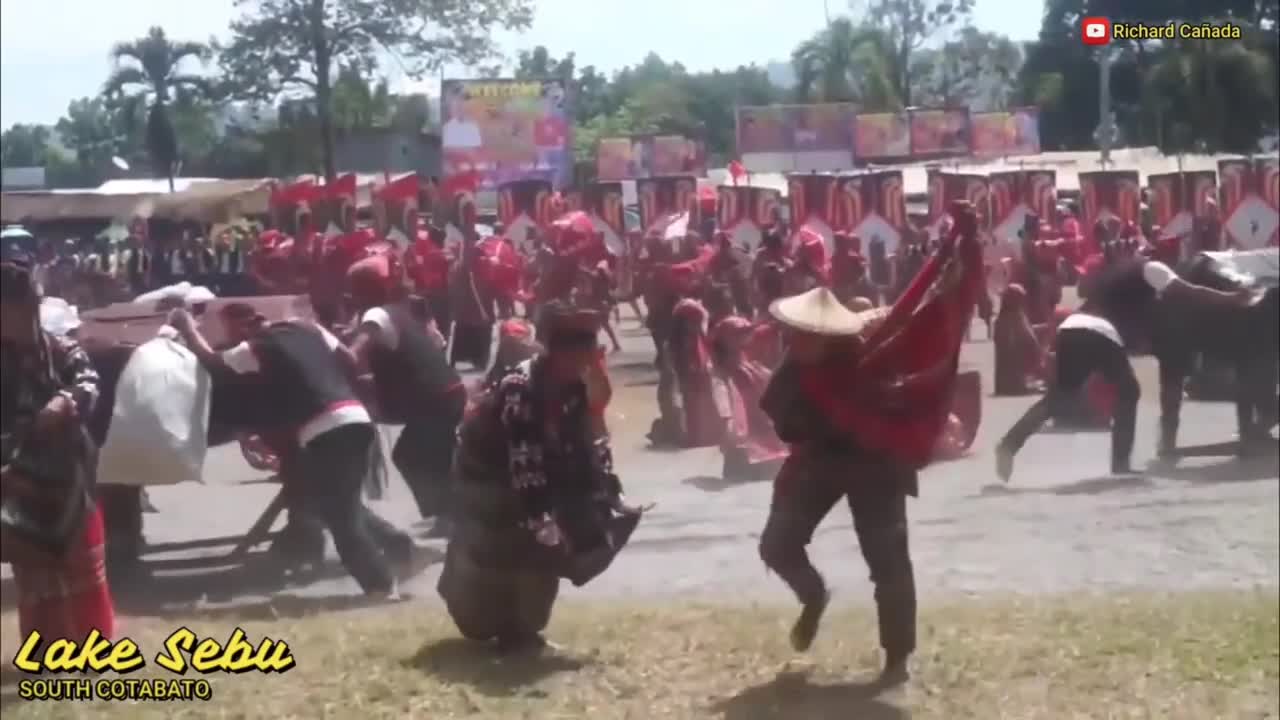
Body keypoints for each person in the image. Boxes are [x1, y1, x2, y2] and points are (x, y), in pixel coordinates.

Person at [167, 302, 415, 599]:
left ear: (247, 326)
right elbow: (348, 360)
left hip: (325, 429)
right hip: (356, 417)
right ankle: (397, 546)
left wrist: (188, 328)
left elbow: (212, 362)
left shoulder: (256, 347)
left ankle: (381, 586)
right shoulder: (309, 328)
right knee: (334, 502)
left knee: (341, 520)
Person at [439, 302, 645, 651]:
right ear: (558, 353)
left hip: (533, 479)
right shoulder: (520, 387)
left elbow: (586, 441)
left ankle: (525, 630)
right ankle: (493, 623)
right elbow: (523, 457)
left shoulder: (574, 387)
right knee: (505, 552)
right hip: (488, 479)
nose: (586, 364)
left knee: (549, 550)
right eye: (580, 355)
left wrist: (607, 491)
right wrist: (540, 517)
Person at [756, 287, 916, 684]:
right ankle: (813, 596)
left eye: (806, 334)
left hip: (874, 462)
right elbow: (781, 417)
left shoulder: (873, 360)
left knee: (888, 562)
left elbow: (897, 408)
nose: (795, 341)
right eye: (796, 333)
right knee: (777, 544)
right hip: (820, 459)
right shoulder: (796, 366)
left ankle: (897, 657)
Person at [996, 256, 1257, 480]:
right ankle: (1120, 464)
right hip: (1098, 330)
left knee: (1059, 398)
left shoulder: (1117, 277)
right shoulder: (1153, 268)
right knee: (1129, 390)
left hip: (1071, 327)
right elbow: (1188, 291)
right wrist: (1231, 299)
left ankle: (1009, 445)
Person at [2, 257, 116, 640]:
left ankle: (91, 645)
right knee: (35, 571)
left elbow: (88, 382)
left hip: (69, 473)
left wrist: (66, 401)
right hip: (19, 477)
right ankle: (45, 647)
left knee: (81, 563)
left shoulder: (61, 350)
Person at [346, 255, 467, 525]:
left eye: (353, 288)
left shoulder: (375, 314)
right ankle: (455, 515)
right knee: (434, 458)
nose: (349, 295)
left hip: (434, 398)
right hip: (446, 391)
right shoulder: (397, 311)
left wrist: (332, 353)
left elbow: (354, 354)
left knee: (409, 455)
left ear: (364, 290)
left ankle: (452, 516)